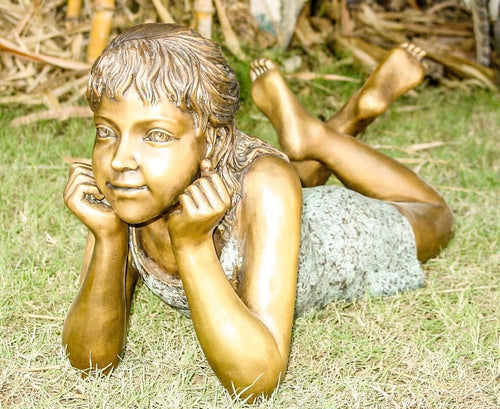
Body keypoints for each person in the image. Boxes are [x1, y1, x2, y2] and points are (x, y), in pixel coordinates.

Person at [62, 23, 454, 402]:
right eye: (107, 131)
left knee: (435, 218)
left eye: (157, 135)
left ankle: (320, 136)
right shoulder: (131, 190)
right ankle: (318, 137)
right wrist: (108, 238)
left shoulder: (266, 181)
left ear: (212, 141)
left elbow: (257, 381)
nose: (119, 160)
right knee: (288, 179)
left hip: (336, 232)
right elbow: (90, 362)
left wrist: (194, 246)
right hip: (270, 199)